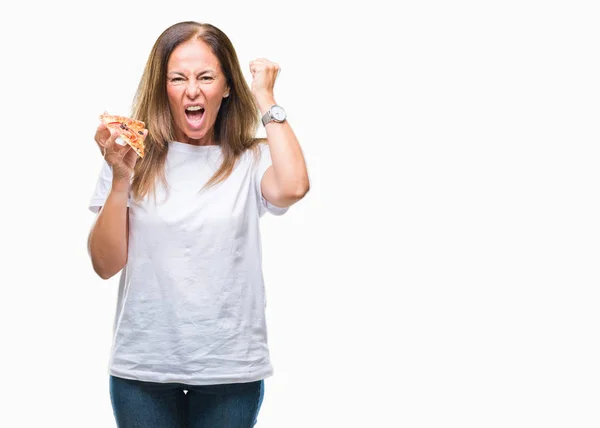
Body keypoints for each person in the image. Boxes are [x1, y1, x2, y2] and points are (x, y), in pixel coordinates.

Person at [87, 21, 309, 428]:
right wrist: (120, 179)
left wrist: (265, 96)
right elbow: (105, 265)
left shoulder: (250, 159)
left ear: (226, 87)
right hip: (143, 370)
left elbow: (294, 187)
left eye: (206, 77)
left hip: (230, 367)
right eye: (178, 78)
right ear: (162, 88)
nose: (193, 90)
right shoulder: (129, 158)